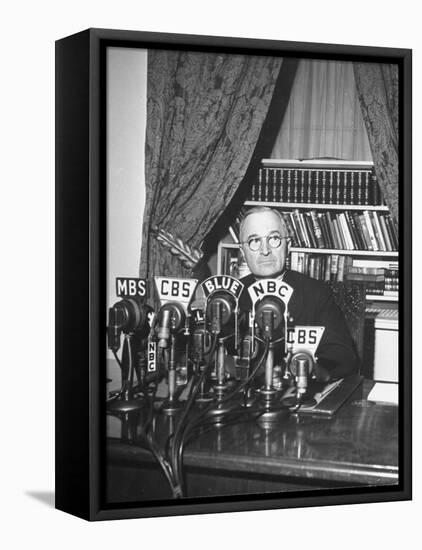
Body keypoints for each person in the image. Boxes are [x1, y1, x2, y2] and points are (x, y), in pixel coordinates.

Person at [238, 206, 359, 381]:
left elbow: (342, 357)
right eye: (254, 241)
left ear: (289, 244)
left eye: (274, 238)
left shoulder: (316, 293)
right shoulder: (231, 297)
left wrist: (309, 370)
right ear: (242, 252)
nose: (265, 250)